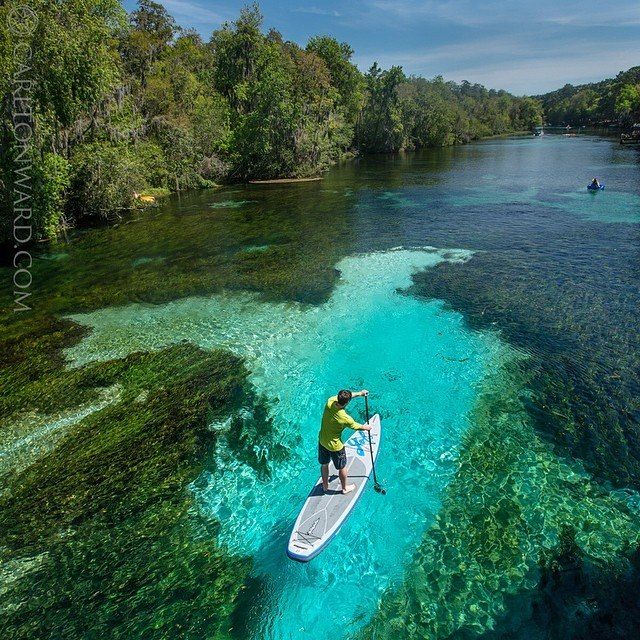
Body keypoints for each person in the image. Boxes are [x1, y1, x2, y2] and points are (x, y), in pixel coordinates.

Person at [318, 389, 371, 495]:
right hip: (335, 447)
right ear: (347, 403)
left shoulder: (330, 402)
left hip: (322, 441)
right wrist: (366, 427)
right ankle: (345, 488)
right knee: (342, 467)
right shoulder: (345, 418)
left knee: (324, 464)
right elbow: (356, 426)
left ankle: (325, 485)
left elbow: (347, 397)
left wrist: (360, 393)